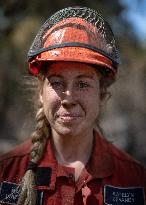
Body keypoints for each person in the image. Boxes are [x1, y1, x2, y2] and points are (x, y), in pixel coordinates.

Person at [0, 6, 145, 205]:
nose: (69, 98)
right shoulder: (6, 171)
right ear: (41, 93)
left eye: (83, 84)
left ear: (101, 94)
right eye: (57, 83)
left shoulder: (134, 179)